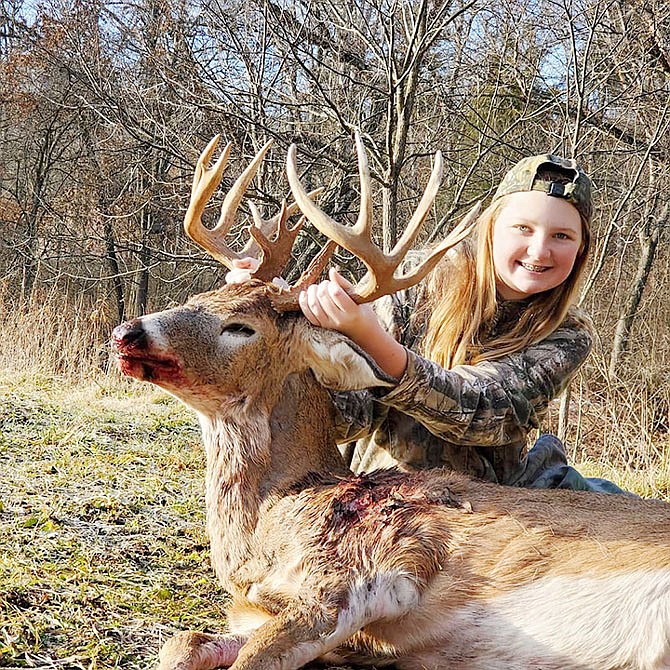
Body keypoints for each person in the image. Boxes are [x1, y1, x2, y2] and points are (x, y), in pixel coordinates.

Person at [228, 154, 626, 494]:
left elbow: (483, 412)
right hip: (379, 495)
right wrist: (277, 316)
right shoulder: (418, 280)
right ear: (490, 229)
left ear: (581, 248)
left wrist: (370, 338)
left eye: (562, 235)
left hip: (492, 508)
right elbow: (349, 417)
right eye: (523, 228)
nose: (540, 250)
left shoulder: (567, 333)